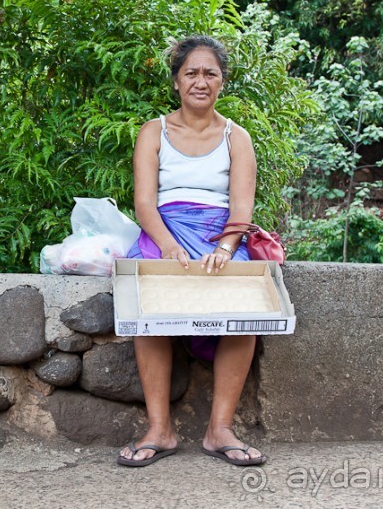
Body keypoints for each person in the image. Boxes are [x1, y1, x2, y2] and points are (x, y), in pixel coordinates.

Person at [117, 36, 266, 467]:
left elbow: (241, 209)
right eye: (191, 73)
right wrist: (167, 246)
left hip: (221, 236)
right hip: (164, 233)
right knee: (148, 306)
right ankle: (159, 429)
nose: (200, 81)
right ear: (176, 82)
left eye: (210, 73)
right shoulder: (154, 132)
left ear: (222, 82)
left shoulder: (238, 137)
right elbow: (144, 202)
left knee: (245, 308)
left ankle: (219, 429)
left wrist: (224, 248)